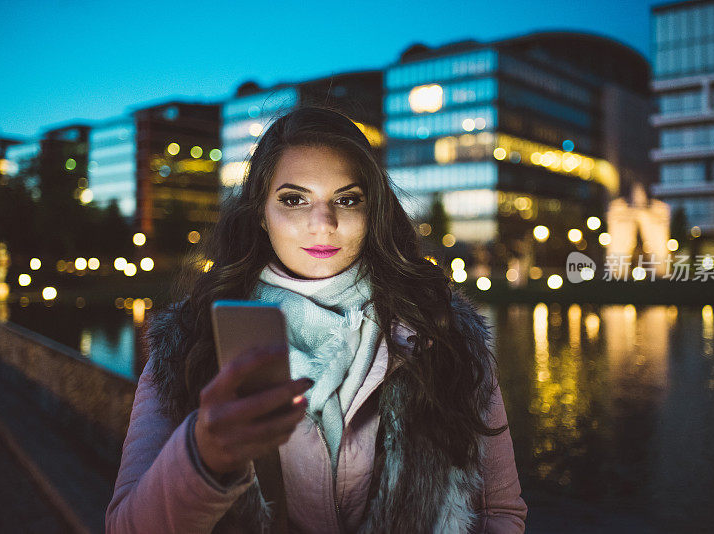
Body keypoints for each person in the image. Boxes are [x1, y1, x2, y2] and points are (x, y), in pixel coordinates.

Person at [105, 106, 528, 533]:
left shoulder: (446, 332)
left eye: (347, 199)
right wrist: (203, 457)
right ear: (260, 214)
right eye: (293, 199)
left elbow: (500, 514)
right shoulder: (188, 341)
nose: (323, 224)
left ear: (373, 210)